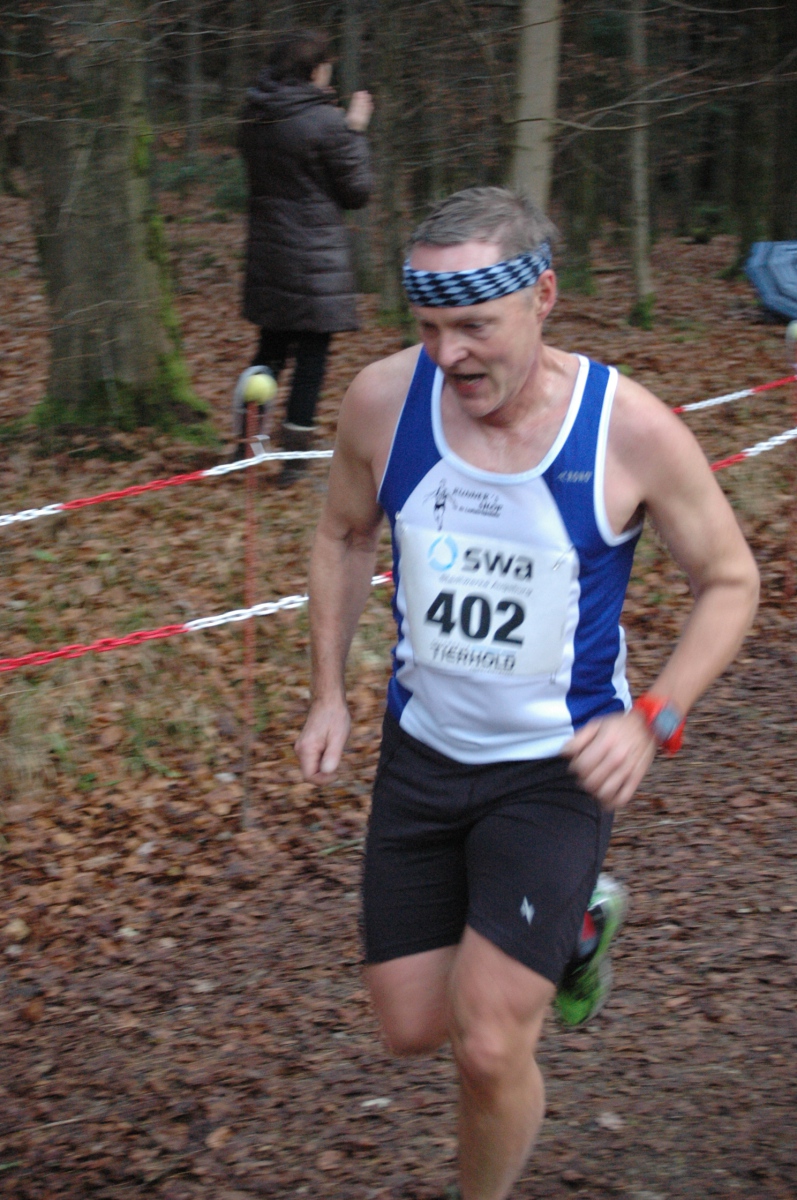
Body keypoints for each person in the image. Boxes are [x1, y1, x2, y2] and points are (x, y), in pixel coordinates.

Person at [295, 187, 759, 1200]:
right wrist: (327, 691)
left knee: (488, 1044)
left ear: (542, 296)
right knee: (411, 1025)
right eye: (428, 328)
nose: (449, 354)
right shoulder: (383, 401)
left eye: (474, 326)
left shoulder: (626, 429)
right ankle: (574, 926)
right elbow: (343, 533)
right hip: (422, 753)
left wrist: (654, 717)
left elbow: (730, 580)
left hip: (555, 769)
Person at [236, 29, 373, 481]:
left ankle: (245, 443)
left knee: (270, 349)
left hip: (269, 250)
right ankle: (294, 460)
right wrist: (354, 130)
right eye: (327, 67)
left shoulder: (254, 116)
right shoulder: (327, 122)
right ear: (314, 70)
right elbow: (357, 191)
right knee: (312, 356)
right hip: (314, 255)